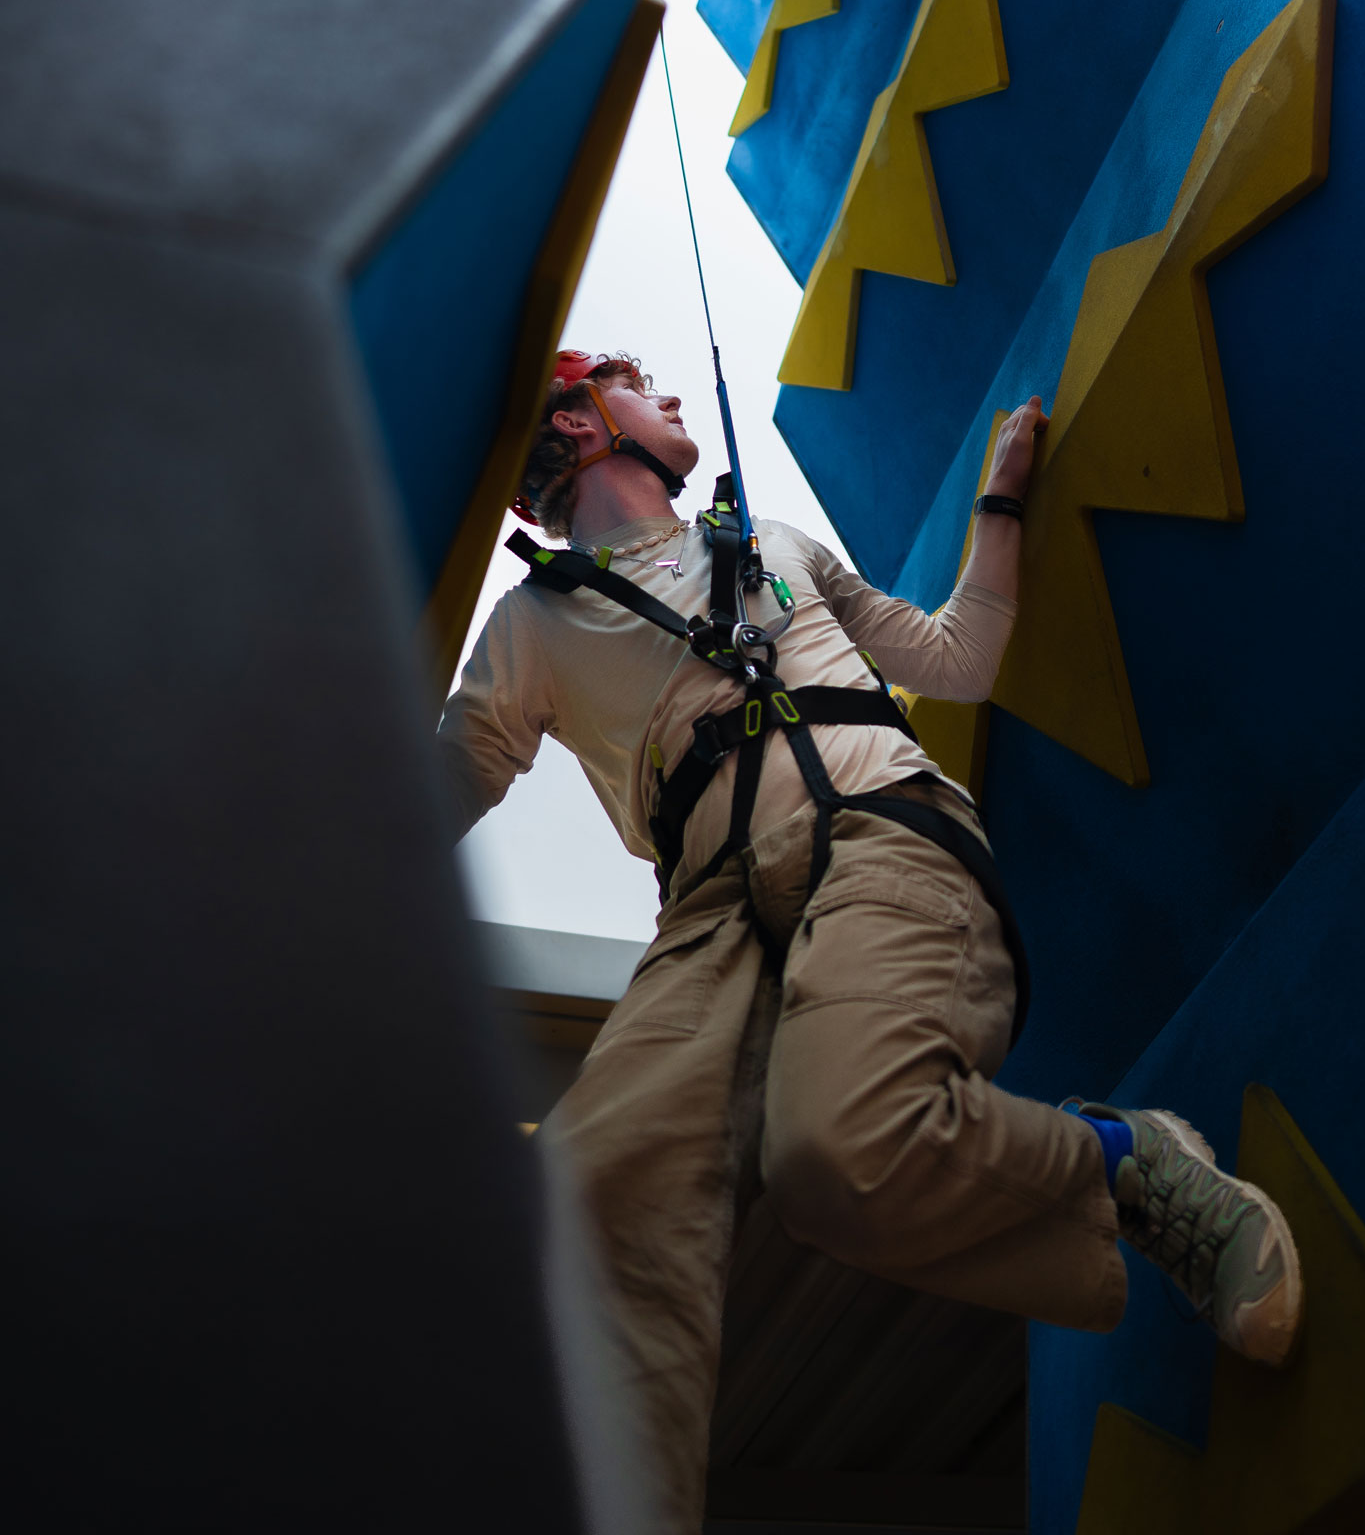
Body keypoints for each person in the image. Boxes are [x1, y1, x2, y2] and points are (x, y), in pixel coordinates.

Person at [438, 352, 1303, 1533]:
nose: (677, 401)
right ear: (585, 424)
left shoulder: (778, 547)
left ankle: (1135, 1167)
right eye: (643, 385)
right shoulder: (534, 626)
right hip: (709, 915)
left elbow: (957, 657)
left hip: (878, 835)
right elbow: (433, 790)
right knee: (590, 1188)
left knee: (840, 1155)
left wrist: (1000, 499)